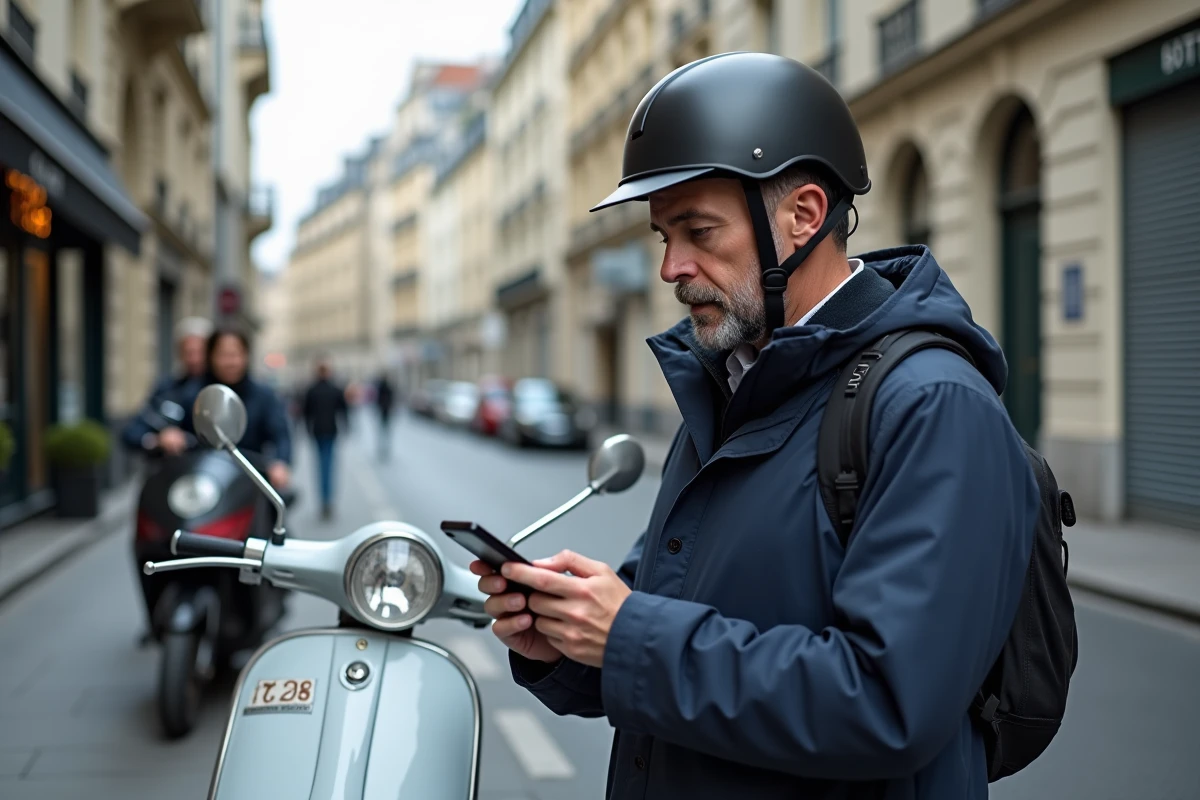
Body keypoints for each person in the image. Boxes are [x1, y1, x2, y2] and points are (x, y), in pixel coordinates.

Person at [473, 53, 1039, 799]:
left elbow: (890, 702)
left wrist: (628, 635)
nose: (673, 266)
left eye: (699, 231)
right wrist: (566, 642)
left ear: (803, 216)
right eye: (663, 236)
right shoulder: (733, 386)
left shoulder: (934, 404)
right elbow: (665, 625)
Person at [205, 325, 293, 489]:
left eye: (235, 354)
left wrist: (280, 463)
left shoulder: (263, 396)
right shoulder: (196, 393)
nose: (230, 362)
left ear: (246, 356)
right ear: (211, 357)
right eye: (223, 355)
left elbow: (281, 434)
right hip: (202, 482)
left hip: (251, 481)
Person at [120, 317, 211, 454]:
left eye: (199, 352)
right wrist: (158, 439)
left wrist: (187, 439)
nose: (194, 359)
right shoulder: (168, 388)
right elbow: (132, 432)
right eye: (188, 352)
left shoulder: (217, 389)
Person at [302, 359, 349, 519]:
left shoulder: (312, 390)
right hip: (330, 431)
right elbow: (343, 410)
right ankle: (327, 500)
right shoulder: (335, 389)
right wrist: (346, 427)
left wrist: (307, 429)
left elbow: (306, 413)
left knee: (320, 467)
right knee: (329, 467)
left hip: (317, 432)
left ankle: (323, 500)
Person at [374, 372, 395, 460]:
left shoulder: (380, 388)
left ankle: (382, 447)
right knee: (386, 430)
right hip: (386, 411)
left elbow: (378, 399)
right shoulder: (388, 388)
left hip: (382, 410)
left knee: (382, 430)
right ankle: (385, 447)